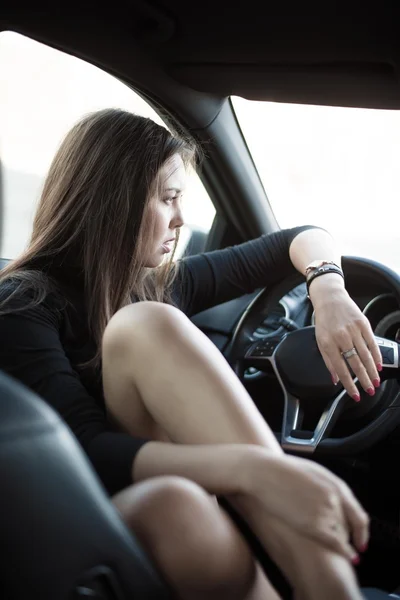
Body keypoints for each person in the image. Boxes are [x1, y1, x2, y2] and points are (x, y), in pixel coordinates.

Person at [0, 108, 382, 599]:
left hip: (170, 504)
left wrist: (328, 290)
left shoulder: (151, 287)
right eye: (169, 198)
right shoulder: (23, 305)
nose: (181, 219)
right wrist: (259, 470)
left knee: (179, 500)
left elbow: (299, 238)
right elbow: (88, 453)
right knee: (145, 330)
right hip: (76, 516)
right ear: (112, 203)